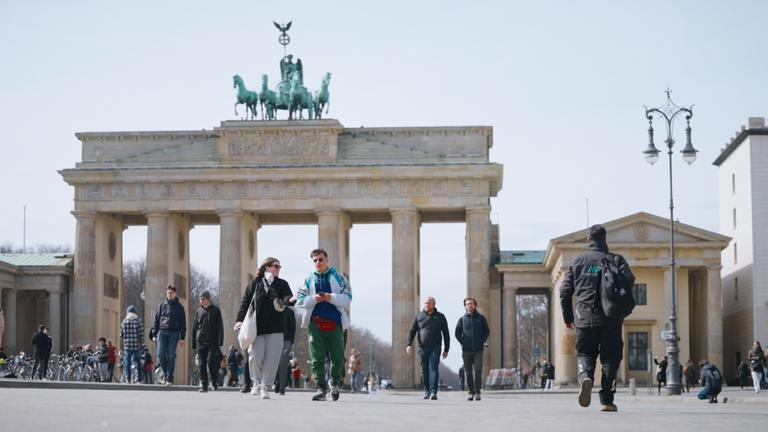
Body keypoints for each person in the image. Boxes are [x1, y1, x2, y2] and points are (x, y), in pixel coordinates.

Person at [560, 224, 635, 412]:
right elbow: (630, 280)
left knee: (585, 353)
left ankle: (585, 376)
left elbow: (564, 292)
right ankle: (607, 401)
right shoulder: (616, 259)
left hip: (584, 318)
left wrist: (568, 318)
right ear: (605, 239)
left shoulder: (578, 261)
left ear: (589, 240)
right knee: (611, 358)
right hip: (611, 318)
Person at [296, 248, 352, 402]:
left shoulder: (339, 277)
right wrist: (314, 298)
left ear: (327, 260)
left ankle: (333, 382)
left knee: (338, 357)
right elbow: (300, 300)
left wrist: (330, 297)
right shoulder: (308, 279)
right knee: (317, 358)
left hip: (335, 322)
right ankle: (321, 388)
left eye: (320, 259)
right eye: (315, 260)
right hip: (315, 323)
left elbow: (348, 298)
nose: (318, 262)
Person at [236, 257, 294, 399]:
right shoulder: (255, 283)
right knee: (255, 356)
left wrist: (288, 300)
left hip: (276, 328)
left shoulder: (282, 284)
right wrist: (240, 320)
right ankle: (256, 382)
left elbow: (288, 297)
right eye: (275, 266)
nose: (278, 269)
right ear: (267, 267)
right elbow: (246, 301)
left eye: (279, 267)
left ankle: (265, 387)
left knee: (272, 359)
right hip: (257, 328)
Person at [406, 296, 450, 400]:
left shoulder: (440, 316)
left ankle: (434, 392)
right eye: (425, 303)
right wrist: (409, 344)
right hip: (422, 347)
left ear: (434, 305)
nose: (426, 305)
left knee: (433, 368)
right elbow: (412, 331)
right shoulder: (418, 316)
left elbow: (446, 333)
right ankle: (427, 391)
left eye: (429, 303)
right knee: (424, 370)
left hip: (435, 347)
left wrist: (446, 349)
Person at [150, 284, 187, 386]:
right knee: (160, 354)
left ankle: (169, 378)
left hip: (174, 333)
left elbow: (183, 323)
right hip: (162, 332)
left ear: (175, 294)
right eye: (168, 293)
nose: (169, 294)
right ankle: (167, 374)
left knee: (171, 355)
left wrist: (182, 337)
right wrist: (154, 334)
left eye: (171, 293)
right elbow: (156, 321)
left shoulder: (179, 307)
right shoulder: (161, 306)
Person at [455, 296, 489, 401]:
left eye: (471, 304)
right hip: (466, 350)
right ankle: (470, 392)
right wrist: (463, 342)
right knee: (468, 372)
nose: (470, 305)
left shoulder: (481, 318)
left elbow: (486, 331)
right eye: (468, 304)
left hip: (478, 350)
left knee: (478, 370)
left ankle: (477, 391)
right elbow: (457, 334)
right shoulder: (462, 320)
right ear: (465, 306)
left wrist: (483, 340)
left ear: (475, 305)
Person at [192, 290, 224, 393]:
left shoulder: (216, 310)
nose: (201, 301)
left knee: (211, 362)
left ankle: (214, 382)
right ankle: (204, 386)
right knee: (201, 364)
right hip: (200, 341)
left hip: (212, 342)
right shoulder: (198, 311)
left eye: (203, 299)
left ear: (208, 299)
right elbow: (195, 327)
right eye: (200, 299)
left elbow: (220, 326)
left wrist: (220, 341)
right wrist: (193, 342)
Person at [120, 305, 144, 384]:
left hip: (127, 345)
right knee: (138, 362)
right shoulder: (138, 321)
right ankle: (139, 379)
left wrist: (124, 339)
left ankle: (128, 379)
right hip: (136, 344)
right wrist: (141, 342)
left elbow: (121, 335)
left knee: (127, 362)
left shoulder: (124, 321)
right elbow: (141, 333)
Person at [275, 305, 296, 395]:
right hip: (274, 339)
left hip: (286, 340)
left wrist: (291, 342)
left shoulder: (290, 312)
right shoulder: (273, 310)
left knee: (283, 364)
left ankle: (282, 387)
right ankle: (277, 381)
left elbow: (293, 328)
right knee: (275, 363)